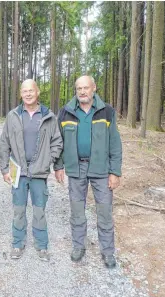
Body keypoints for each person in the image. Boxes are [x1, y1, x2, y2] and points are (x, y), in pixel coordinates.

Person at [54, 75, 122, 269]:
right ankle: (78, 246)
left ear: (94, 88)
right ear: (76, 91)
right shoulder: (65, 112)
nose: (82, 92)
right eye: (79, 88)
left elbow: (115, 143)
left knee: (105, 211)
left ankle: (108, 252)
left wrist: (115, 171)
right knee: (77, 211)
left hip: (101, 169)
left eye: (86, 88)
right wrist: (58, 166)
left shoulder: (106, 111)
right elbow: (59, 142)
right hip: (76, 169)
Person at [0, 79, 63, 261]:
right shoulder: (13, 116)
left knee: (39, 211)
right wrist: (5, 169)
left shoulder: (49, 116)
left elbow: (57, 142)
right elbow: (4, 144)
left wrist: (48, 160)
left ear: (38, 92)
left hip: (38, 174)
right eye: (24, 91)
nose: (28, 94)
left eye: (31, 91)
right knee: (19, 210)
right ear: (21, 93)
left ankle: (41, 246)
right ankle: (17, 244)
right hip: (18, 172)